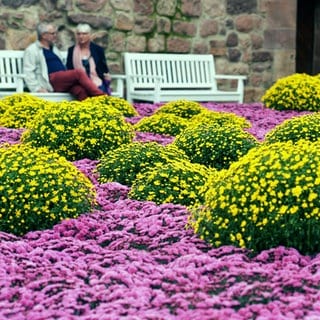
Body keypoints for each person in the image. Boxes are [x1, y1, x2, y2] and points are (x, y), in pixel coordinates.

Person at [23, 22, 107, 101]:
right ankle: (102, 98)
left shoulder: (53, 49)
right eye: (52, 33)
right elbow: (28, 71)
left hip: (63, 80)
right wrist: (37, 89)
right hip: (51, 80)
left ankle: (92, 111)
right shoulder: (32, 50)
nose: (55, 35)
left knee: (80, 90)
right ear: (44, 35)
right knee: (78, 73)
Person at [66, 23, 112, 94]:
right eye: (79, 34)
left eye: (84, 34)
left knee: (99, 91)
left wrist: (106, 78)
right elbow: (69, 69)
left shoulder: (98, 50)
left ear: (89, 35)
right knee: (81, 91)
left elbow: (104, 69)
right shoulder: (71, 50)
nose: (81, 36)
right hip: (79, 82)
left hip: (96, 80)